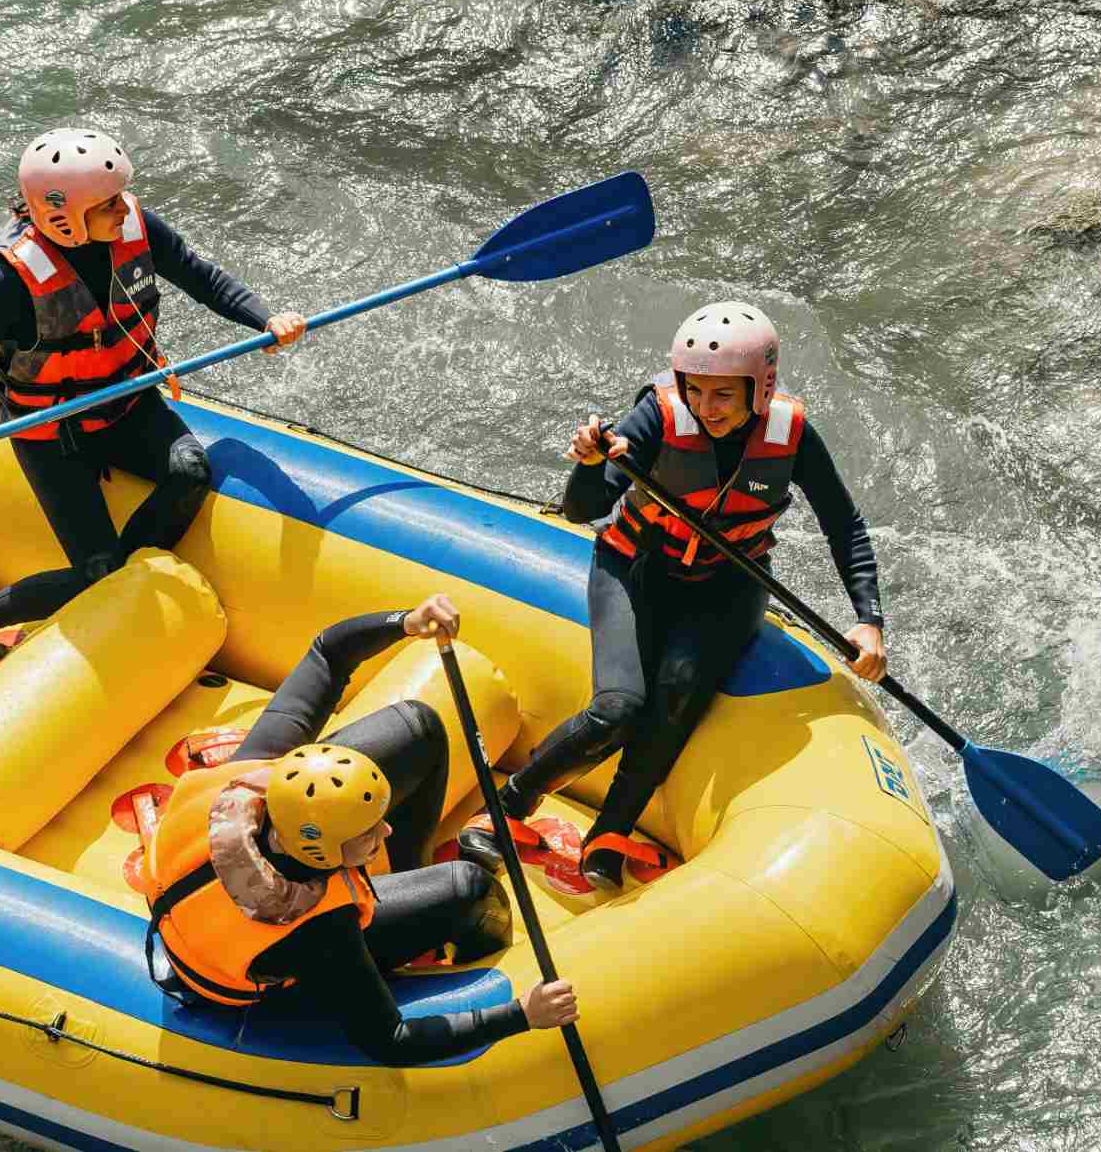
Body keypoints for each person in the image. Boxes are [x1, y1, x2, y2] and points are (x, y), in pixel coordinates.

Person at [459, 301, 888, 890]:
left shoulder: (791, 434)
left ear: (757, 390)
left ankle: (610, 832)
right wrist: (588, 464)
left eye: (722, 396)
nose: (706, 408)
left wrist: (868, 621)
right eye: (695, 391)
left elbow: (845, 526)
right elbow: (584, 509)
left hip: (728, 585)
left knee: (678, 695)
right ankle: (508, 807)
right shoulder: (657, 416)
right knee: (619, 708)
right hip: (634, 567)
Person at [0, 127, 307, 680]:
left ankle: (124, 581)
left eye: (121, 196)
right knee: (96, 568)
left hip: (126, 403)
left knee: (190, 469)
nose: (124, 209)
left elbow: (202, 277)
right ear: (64, 216)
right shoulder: (8, 276)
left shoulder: (135, 227)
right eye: (107, 204)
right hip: (52, 435)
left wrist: (266, 318)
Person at [143, 594, 579, 1065]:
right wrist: (521, 1015)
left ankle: (411, 880)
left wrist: (405, 622)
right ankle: (437, 931)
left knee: (420, 726)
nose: (387, 832)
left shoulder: (247, 778)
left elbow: (327, 653)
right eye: (369, 834)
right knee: (471, 888)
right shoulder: (320, 928)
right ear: (323, 855)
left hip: (229, 880)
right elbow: (390, 1041)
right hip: (254, 967)